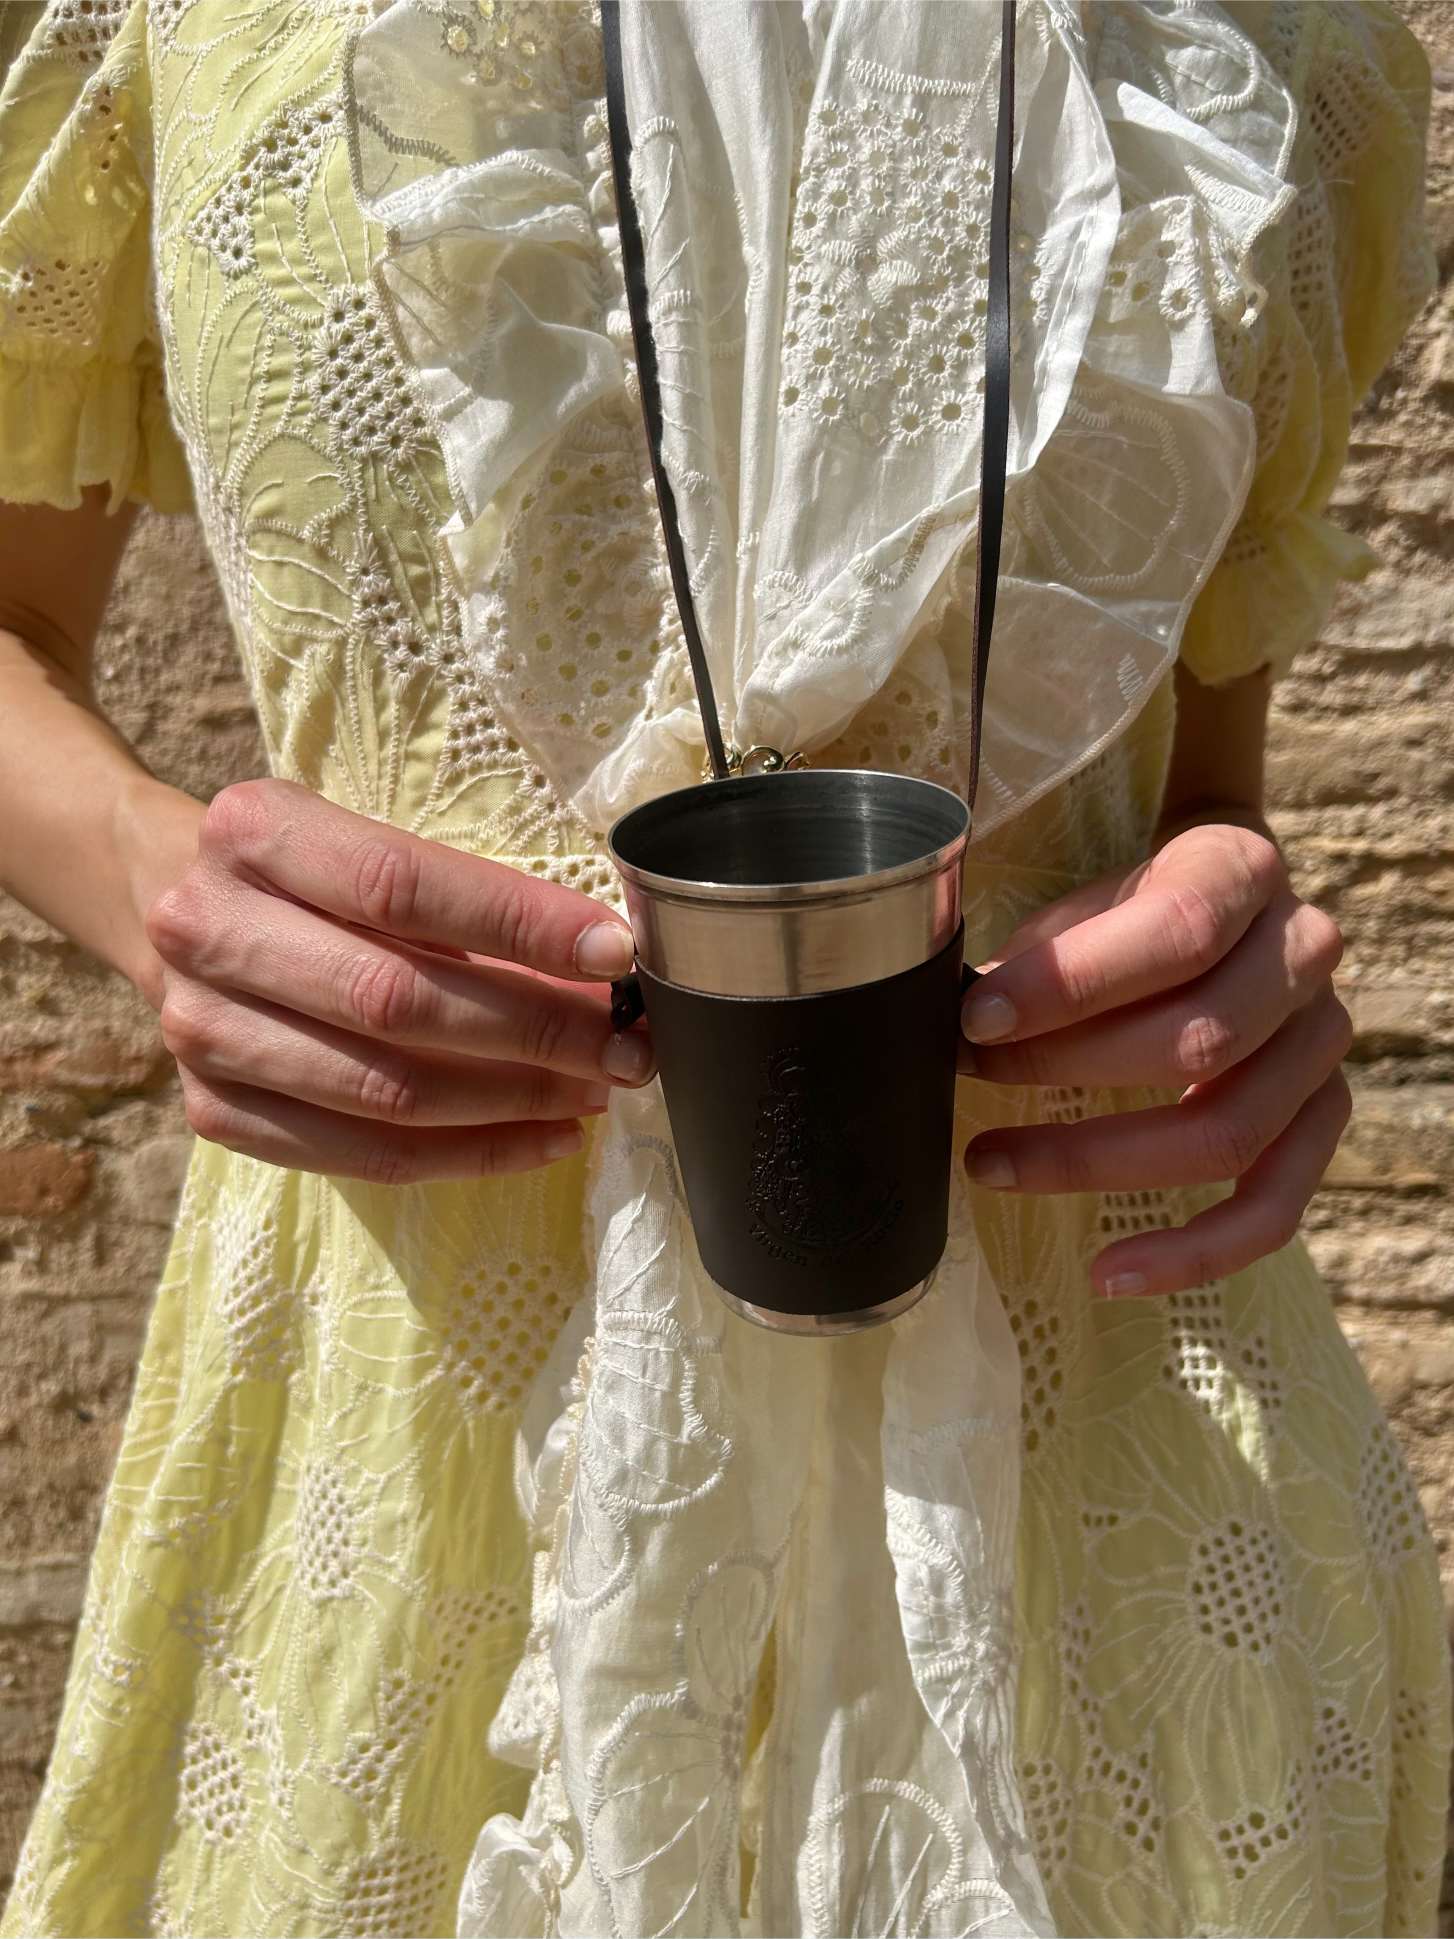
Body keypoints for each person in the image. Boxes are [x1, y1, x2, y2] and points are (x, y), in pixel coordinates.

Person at [0, 1, 1447, 1935]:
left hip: (1108, 1522)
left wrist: (1246, 966)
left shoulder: (1278, 46)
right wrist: (149, 878)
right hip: (404, 1491)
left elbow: (1197, 798)